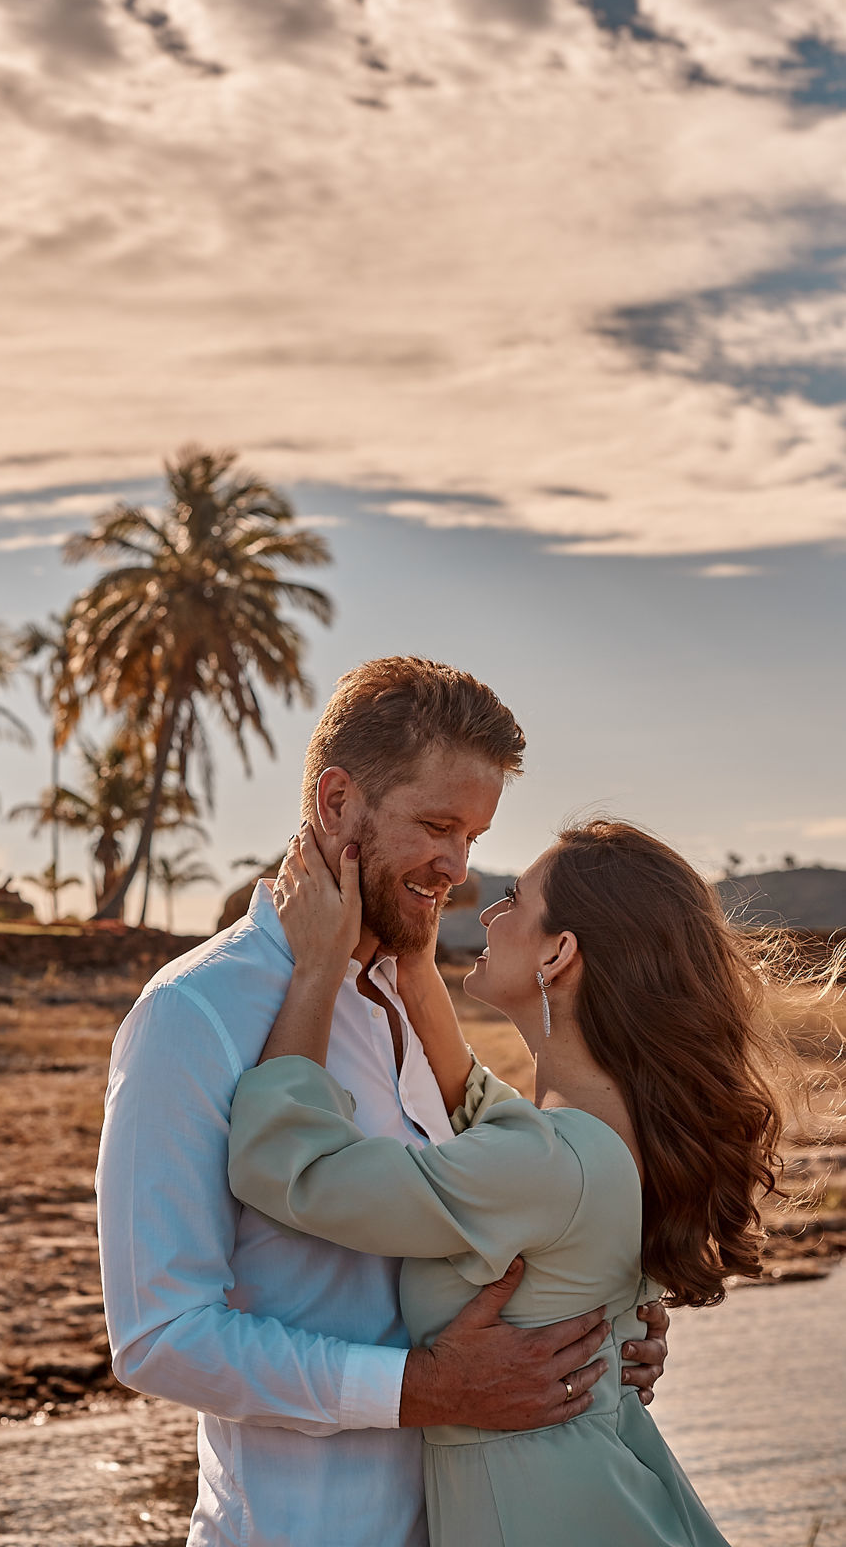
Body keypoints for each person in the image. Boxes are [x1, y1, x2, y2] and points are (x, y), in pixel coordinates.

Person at [96, 657, 668, 1547]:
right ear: (335, 804)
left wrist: (607, 1323)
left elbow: (501, 1211)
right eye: (436, 827)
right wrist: (419, 1389)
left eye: (473, 836)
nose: (458, 870)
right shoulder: (193, 1013)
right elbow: (159, 1336)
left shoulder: (406, 1000)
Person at [229, 817, 788, 1546]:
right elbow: (489, 1114)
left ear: (559, 954)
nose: (488, 909)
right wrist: (418, 965)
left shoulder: (547, 1161)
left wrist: (315, 969)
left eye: (516, 899)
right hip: (597, 1491)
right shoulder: (628, 1131)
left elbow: (296, 1174)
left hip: (539, 1513)